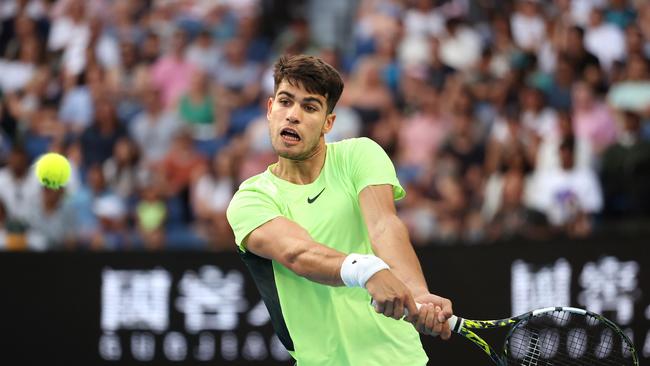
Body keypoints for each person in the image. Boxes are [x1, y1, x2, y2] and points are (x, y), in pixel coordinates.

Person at [226, 54, 453, 366]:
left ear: (328, 123)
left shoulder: (358, 155)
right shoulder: (251, 198)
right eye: (285, 101)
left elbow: (384, 225)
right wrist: (366, 269)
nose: (293, 116)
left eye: (309, 107)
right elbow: (297, 253)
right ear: (269, 109)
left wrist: (417, 292)